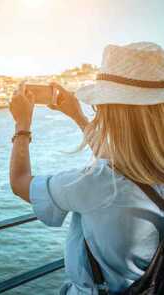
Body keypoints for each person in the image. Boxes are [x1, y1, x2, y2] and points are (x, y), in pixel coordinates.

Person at [9, 42, 164, 294]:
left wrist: (22, 125)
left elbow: (20, 182)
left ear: (109, 111)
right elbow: (123, 161)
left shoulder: (98, 184)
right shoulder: (146, 168)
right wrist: (77, 116)